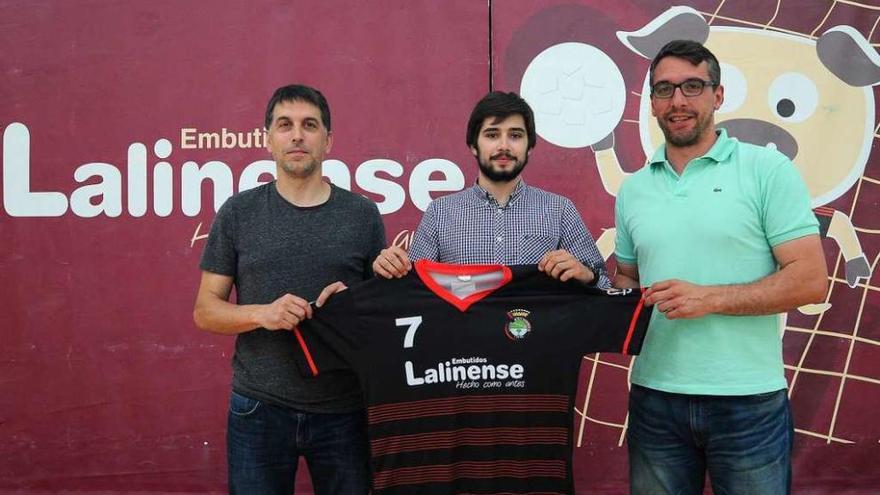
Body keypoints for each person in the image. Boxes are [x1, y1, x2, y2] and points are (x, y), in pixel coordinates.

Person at [613, 40, 828, 495]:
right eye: (664, 89)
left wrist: (709, 298)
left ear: (718, 95)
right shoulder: (633, 190)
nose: (678, 101)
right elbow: (628, 278)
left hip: (748, 401)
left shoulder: (767, 170)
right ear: (651, 103)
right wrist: (594, 295)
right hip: (654, 398)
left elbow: (810, 280)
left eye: (692, 86)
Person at [193, 84, 384, 494]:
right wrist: (263, 313)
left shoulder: (363, 216)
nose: (297, 135)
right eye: (285, 125)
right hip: (258, 408)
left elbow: (380, 319)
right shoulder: (237, 212)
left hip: (344, 410)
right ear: (267, 139)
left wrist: (349, 309)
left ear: (328, 140)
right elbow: (205, 310)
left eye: (309, 125)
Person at [373, 91, 609, 287]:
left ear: (530, 147)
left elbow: (605, 287)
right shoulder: (440, 214)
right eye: (492, 135)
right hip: (463, 343)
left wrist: (587, 275)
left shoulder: (559, 210)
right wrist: (389, 270)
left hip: (540, 343)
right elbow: (411, 289)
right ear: (473, 146)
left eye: (515, 135)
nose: (504, 146)